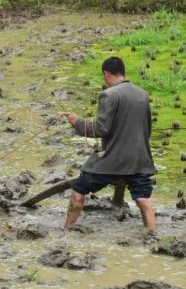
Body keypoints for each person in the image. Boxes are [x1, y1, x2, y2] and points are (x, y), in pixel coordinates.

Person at [64, 57, 157, 231]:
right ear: (123, 73)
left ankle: (67, 231)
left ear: (106, 74)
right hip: (138, 159)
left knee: (78, 191)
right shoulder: (142, 94)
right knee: (144, 201)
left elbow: (101, 129)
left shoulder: (109, 94)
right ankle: (153, 236)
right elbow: (147, 129)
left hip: (113, 160)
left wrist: (77, 122)